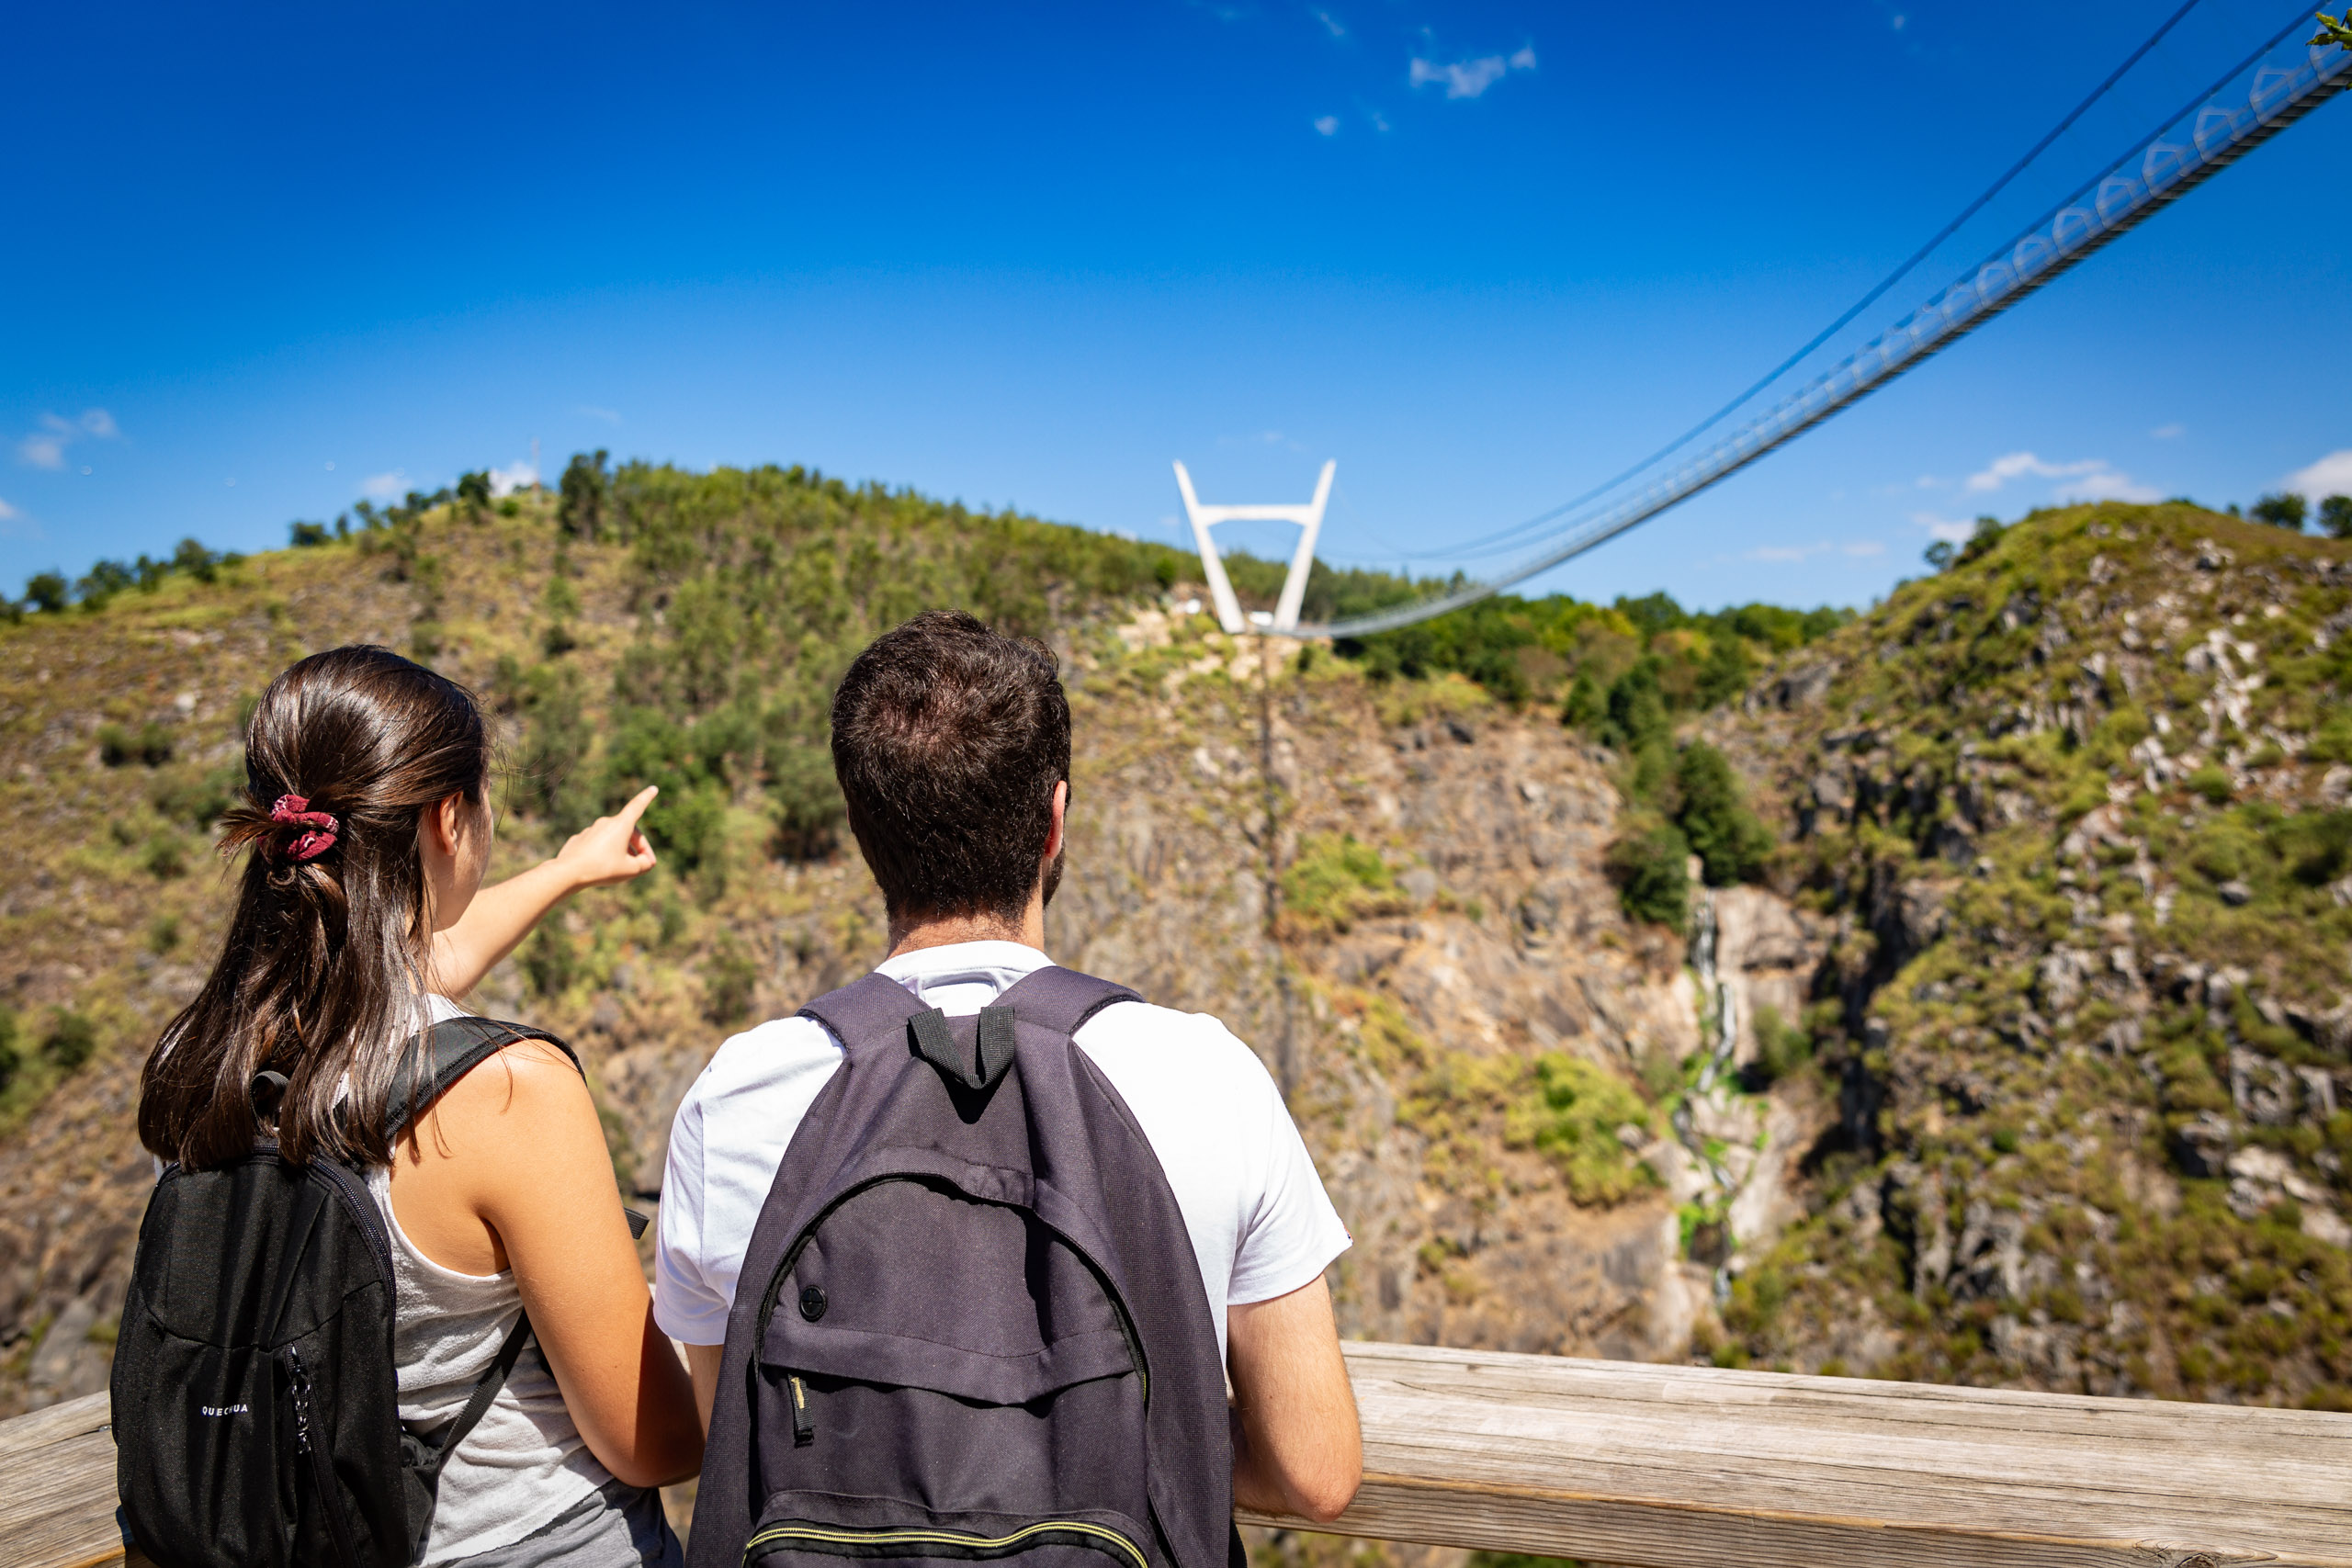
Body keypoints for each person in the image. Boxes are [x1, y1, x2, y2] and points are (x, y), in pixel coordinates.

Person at [655, 610, 1363, 1531]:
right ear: (1054, 821)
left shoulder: (736, 1095)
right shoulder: (1206, 1075)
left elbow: (743, 1442)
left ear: (861, 828)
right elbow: (1312, 1472)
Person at [135, 645, 703, 1566]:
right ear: (450, 818)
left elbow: (391, 967)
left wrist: (565, 870)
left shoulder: (203, 1060)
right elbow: (655, 1443)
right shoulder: (504, 1090)